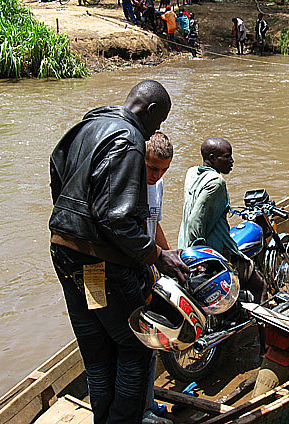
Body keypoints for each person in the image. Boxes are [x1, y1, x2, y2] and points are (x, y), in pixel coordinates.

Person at [49, 80, 189, 424]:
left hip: (64, 253)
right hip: (103, 263)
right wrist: (157, 255)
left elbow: (56, 170)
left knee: (97, 353)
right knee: (139, 346)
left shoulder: (88, 124)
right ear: (152, 111)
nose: (156, 130)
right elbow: (116, 219)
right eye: (159, 122)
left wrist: (75, 227)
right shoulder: (129, 140)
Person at [178, 138, 267, 303]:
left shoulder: (192, 173)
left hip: (183, 249)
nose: (232, 161)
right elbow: (194, 222)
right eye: (227, 157)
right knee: (259, 285)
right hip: (212, 253)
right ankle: (263, 326)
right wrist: (201, 259)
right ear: (212, 158)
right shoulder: (217, 183)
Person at [143, 132, 175, 424]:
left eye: (163, 169)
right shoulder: (132, 184)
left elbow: (155, 224)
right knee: (138, 344)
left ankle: (148, 402)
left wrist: (170, 255)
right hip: (134, 271)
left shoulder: (158, 184)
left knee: (151, 341)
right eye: (152, 168)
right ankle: (142, 409)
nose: (156, 175)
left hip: (150, 268)